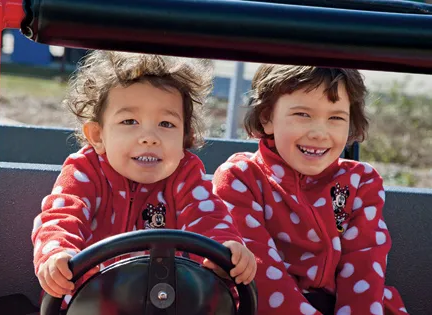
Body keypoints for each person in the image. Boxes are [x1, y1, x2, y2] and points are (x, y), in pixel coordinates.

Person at [31, 50, 256, 307]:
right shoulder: (86, 171)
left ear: (185, 137)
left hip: (172, 303)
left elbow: (209, 217)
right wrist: (58, 254)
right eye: (130, 121)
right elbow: (62, 216)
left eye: (166, 124)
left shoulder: (185, 175)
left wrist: (228, 250)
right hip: (91, 303)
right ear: (97, 135)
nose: (149, 136)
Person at [213, 65, 408, 314]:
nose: (319, 133)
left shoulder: (361, 182)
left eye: (336, 118)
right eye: (303, 115)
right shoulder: (241, 178)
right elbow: (260, 274)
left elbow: (365, 269)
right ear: (267, 117)